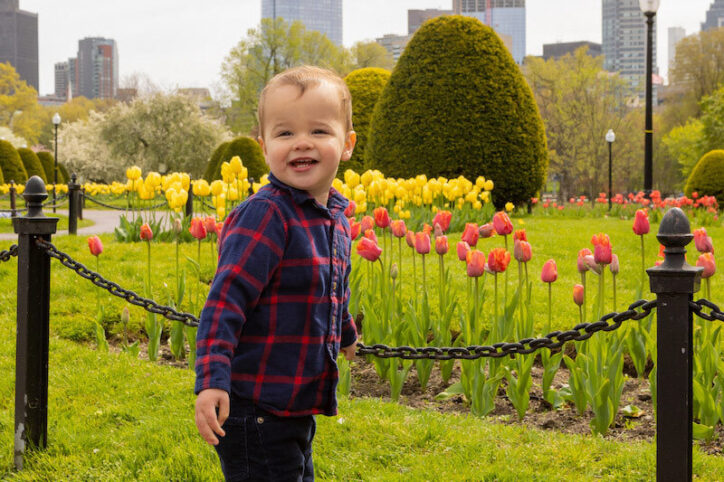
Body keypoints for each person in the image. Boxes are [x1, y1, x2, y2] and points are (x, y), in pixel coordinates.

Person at [194, 65, 358, 481]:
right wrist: (212, 380)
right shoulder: (266, 215)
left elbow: (330, 290)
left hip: (295, 403)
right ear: (264, 147)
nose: (302, 143)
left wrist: (346, 335)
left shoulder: (336, 217)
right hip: (255, 407)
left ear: (348, 144)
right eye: (285, 134)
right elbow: (225, 300)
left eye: (319, 131)